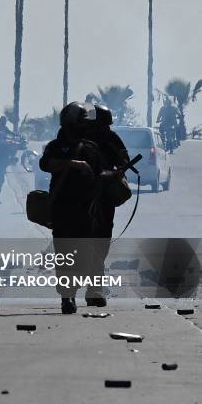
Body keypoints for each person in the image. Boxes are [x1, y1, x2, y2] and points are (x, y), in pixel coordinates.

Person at [39, 102, 104, 314]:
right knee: (64, 255)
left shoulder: (92, 148)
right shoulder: (55, 147)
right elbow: (46, 164)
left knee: (84, 256)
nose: (85, 126)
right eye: (81, 122)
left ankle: (73, 290)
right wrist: (73, 164)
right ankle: (67, 297)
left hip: (85, 211)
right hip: (62, 210)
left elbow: (99, 175)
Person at [84, 104, 130, 307]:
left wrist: (120, 168)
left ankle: (94, 289)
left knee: (100, 243)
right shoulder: (77, 137)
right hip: (80, 195)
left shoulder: (110, 138)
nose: (104, 129)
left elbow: (124, 158)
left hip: (102, 196)